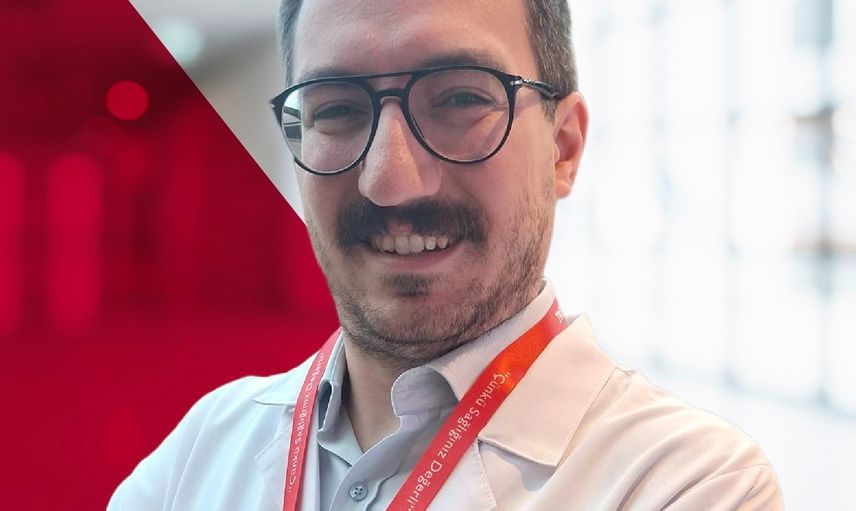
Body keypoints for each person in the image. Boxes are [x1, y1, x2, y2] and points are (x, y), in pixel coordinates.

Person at [109, 0, 784, 509]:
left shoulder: (686, 483)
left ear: (563, 147)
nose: (390, 180)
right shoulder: (202, 449)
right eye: (337, 109)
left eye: (461, 98)